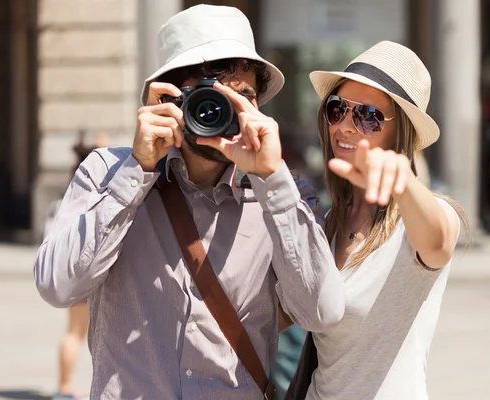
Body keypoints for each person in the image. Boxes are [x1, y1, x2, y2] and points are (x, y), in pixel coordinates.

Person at [34, 5, 344, 400]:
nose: (224, 110)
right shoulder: (107, 172)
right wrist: (137, 171)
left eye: (242, 96)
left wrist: (272, 179)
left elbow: (322, 313)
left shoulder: (285, 193)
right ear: (169, 97)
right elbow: (56, 286)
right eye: (208, 96)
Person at [287, 41, 466, 400]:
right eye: (338, 109)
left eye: (368, 115)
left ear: (401, 134)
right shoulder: (326, 222)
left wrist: (404, 183)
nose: (347, 126)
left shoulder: (418, 218)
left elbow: (439, 241)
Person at [44, 132, 106, 400]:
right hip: (87, 273)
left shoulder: (66, 197)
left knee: (73, 332)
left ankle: (64, 386)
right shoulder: (96, 193)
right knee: (79, 333)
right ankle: (65, 388)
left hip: (70, 270)